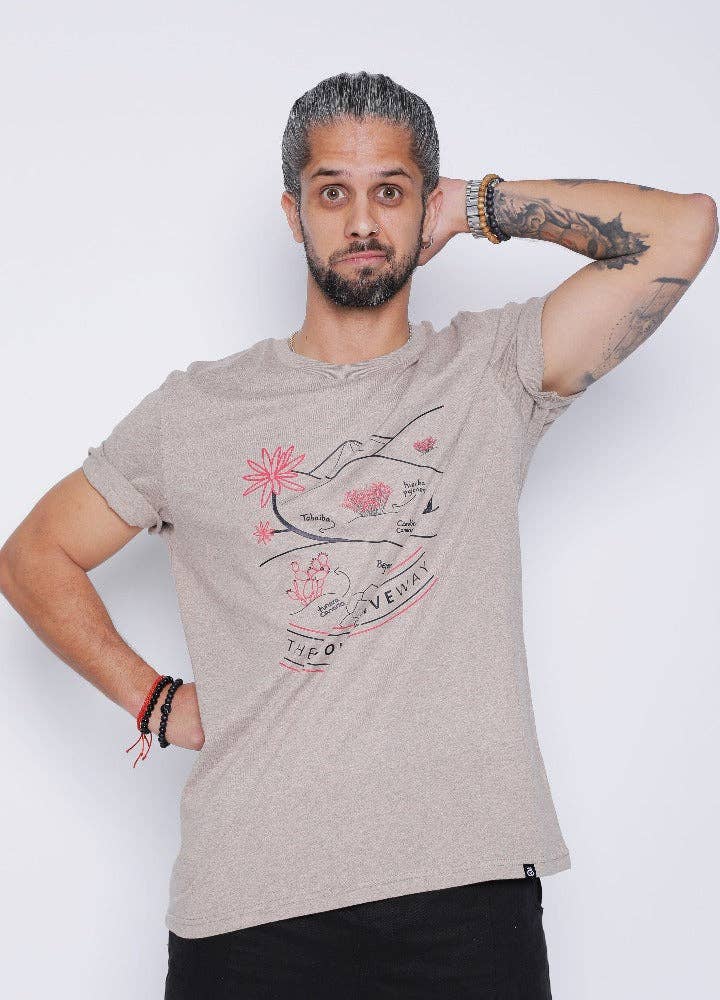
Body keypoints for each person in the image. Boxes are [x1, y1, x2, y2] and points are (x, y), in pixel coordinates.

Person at [0, 71, 716, 999]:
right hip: (249, 907)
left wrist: (481, 204)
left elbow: (684, 229)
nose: (364, 220)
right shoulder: (196, 411)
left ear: (427, 208)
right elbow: (33, 556)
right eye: (333, 192)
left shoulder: (492, 369)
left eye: (392, 190)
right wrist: (156, 701)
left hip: (467, 899)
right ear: (293, 214)